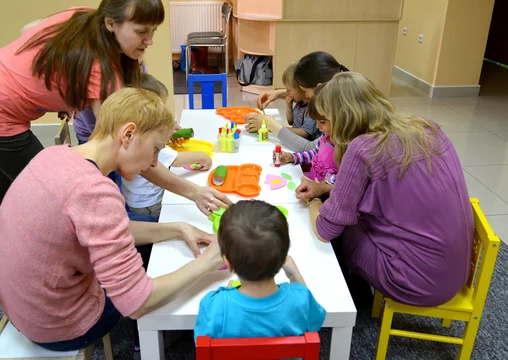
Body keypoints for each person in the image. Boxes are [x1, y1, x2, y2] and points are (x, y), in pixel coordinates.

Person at [0, 87, 226, 354]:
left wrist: (178, 228)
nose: (153, 163)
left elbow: (112, 228)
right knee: (162, 272)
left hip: (17, 304)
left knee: (155, 248)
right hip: (55, 325)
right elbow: (137, 303)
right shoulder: (96, 193)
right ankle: (151, 342)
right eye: (156, 149)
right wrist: (210, 261)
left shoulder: (54, 155)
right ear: (128, 135)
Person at [0, 0, 164, 244]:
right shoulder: (100, 67)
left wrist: (59, 91)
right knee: (49, 193)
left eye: (154, 30)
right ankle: (35, 248)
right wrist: (190, 191)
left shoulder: (85, 16)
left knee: (0, 171)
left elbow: (27, 29)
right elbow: (126, 144)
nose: (150, 40)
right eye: (142, 31)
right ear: (112, 23)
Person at [297, 72, 474, 308]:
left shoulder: (362, 148)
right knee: (350, 214)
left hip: (415, 282)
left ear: (345, 118)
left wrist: (314, 201)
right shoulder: (426, 127)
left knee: (339, 230)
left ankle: (345, 302)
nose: (323, 131)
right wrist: (328, 189)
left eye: (324, 122)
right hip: (456, 271)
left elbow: (325, 228)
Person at [194, 200, 326, 341]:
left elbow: (200, 340)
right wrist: (295, 275)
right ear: (283, 258)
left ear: (228, 263)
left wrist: (226, 296)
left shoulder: (215, 304)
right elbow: (315, 323)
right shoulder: (300, 299)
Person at [119, 74, 212, 218]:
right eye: (159, 112)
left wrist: (165, 135)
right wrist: (202, 157)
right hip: (149, 203)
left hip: (136, 200)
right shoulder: (144, 143)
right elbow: (175, 160)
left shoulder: (137, 133)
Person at [245, 52, 347, 152]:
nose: (305, 96)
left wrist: (269, 124)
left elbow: (310, 149)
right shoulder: (338, 98)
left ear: (319, 88)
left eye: (305, 91)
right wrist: (278, 93)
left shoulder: (337, 116)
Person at [275, 98, 337, 198]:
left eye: (322, 122)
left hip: (326, 197)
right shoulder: (325, 138)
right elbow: (313, 154)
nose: (317, 126)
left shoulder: (346, 148)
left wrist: (321, 186)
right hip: (311, 187)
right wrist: (292, 157)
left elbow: (344, 180)